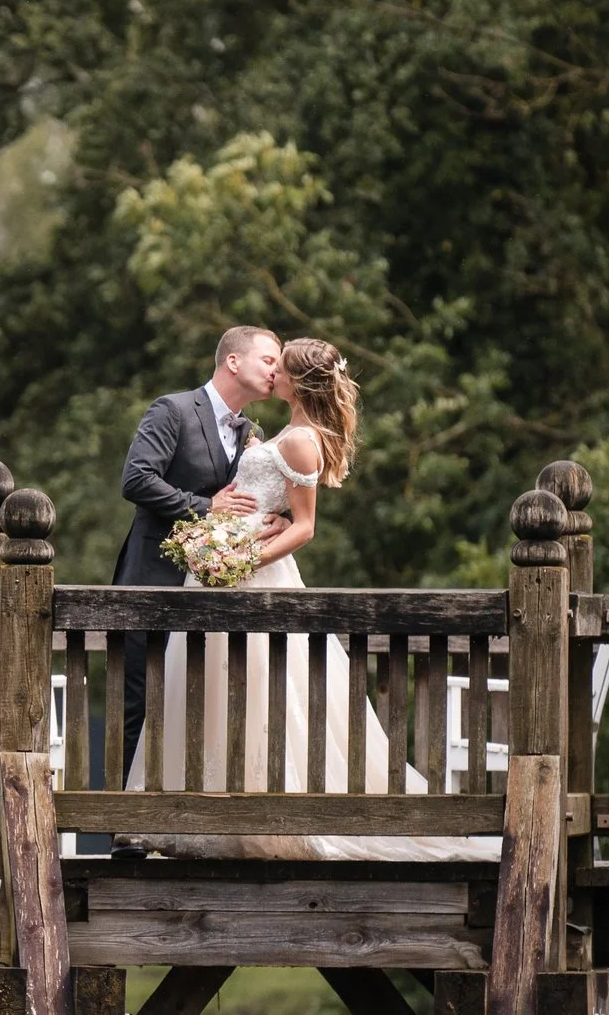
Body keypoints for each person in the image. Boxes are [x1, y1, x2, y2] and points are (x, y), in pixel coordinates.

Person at [126, 336, 498, 862]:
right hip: (214, 575)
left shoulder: (299, 440)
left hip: (250, 575)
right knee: (202, 688)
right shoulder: (258, 428)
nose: (272, 372)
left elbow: (305, 527)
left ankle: (264, 814)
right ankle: (185, 813)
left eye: (280, 365)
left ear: (297, 380)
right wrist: (230, 536)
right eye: (267, 360)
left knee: (263, 690)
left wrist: (239, 562)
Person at [108, 326, 284, 776]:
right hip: (154, 581)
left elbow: (249, 501)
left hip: (214, 591)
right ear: (233, 361)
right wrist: (206, 506)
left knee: (203, 709)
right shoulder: (174, 410)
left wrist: (277, 518)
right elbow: (137, 479)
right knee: (142, 704)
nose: (276, 369)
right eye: (268, 359)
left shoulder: (253, 432)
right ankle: (126, 837)